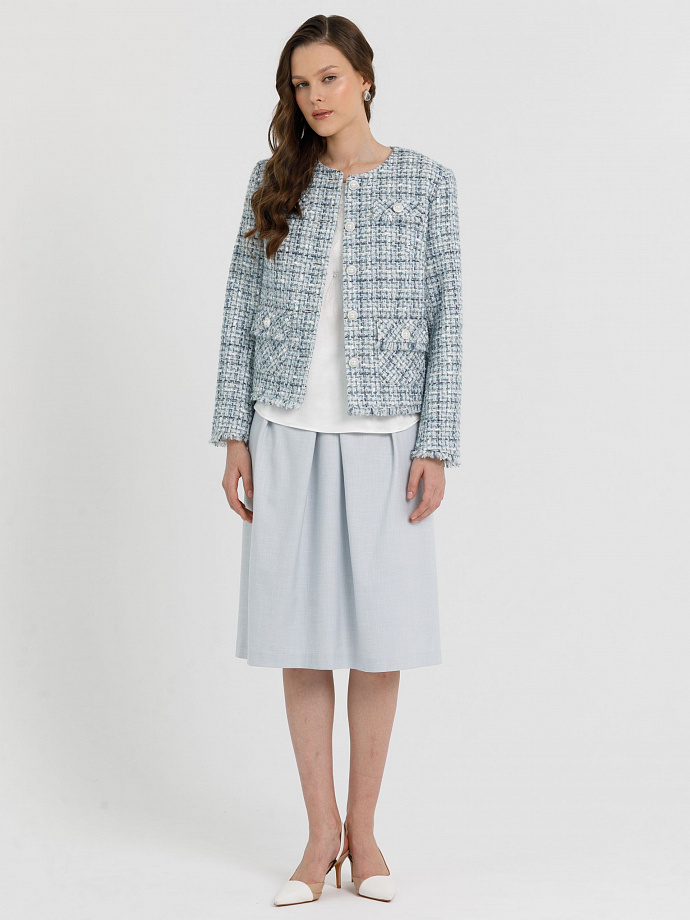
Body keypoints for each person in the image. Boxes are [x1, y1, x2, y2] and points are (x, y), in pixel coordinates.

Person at [209, 14, 463, 907]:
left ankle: (366, 830)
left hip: (386, 437)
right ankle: (321, 835)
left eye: (327, 77)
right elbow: (238, 307)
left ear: (364, 78)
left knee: (379, 638)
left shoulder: (427, 183)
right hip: (284, 430)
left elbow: (448, 317)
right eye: (299, 84)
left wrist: (436, 442)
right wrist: (234, 432)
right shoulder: (272, 181)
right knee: (301, 636)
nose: (313, 96)